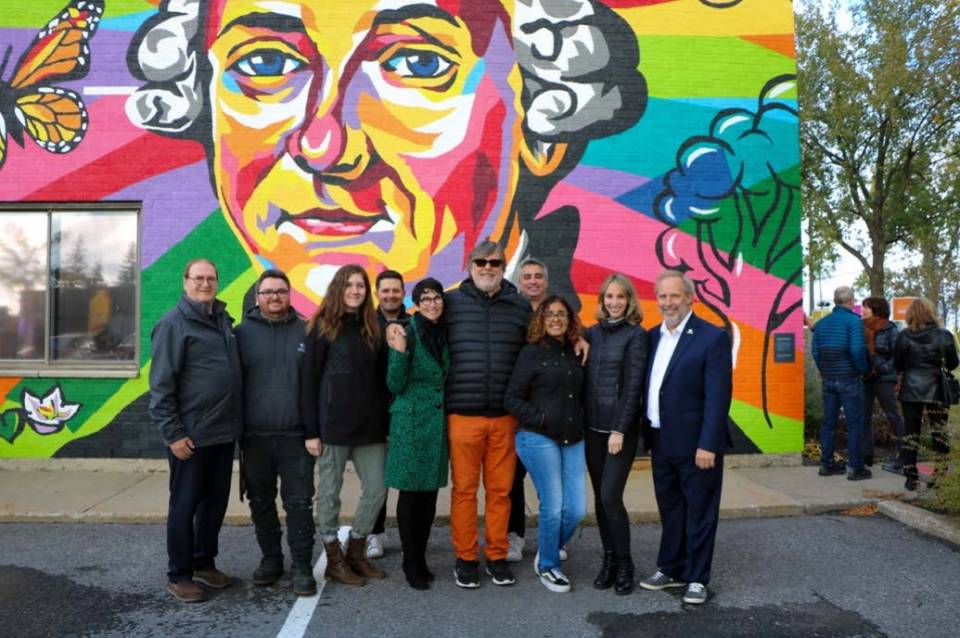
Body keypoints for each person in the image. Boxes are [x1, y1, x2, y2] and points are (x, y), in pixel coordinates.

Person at [126, 0, 645, 302]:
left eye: (418, 64)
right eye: (264, 61)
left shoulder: (552, 326)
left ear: (542, 128)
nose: (322, 146)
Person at [149, 258, 242, 603]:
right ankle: (179, 573)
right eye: (198, 278)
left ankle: (204, 562)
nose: (205, 283)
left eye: (211, 278)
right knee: (184, 506)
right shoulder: (174, 325)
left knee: (213, 504)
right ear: (185, 282)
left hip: (221, 434)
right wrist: (173, 434)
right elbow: (161, 387)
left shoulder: (221, 320)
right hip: (190, 437)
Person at [639, 270, 732, 605]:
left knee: (700, 511)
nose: (668, 303)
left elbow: (718, 396)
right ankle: (671, 568)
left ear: (690, 298)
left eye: (674, 296)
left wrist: (709, 443)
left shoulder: (712, 337)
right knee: (671, 509)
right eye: (662, 296)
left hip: (698, 445)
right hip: (661, 440)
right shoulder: (651, 337)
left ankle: (696, 578)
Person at [444, 239, 530, 588]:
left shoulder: (520, 307)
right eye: (481, 262)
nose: (487, 268)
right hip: (462, 416)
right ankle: (465, 558)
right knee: (464, 491)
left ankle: (496, 555)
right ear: (470, 264)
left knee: (500, 491)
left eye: (495, 263)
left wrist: (579, 338)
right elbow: (419, 328)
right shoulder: (450, 303)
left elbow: (543, 343)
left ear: (503, 266)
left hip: (505, 417)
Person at [301, 265, 388, 586]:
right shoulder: (322, 327)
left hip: (370, 428)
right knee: (329, 495)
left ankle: (355, 551)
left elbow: (382, 381)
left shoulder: (373, 327)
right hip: (331, 428)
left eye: (361, 286)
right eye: (349, 285)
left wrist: (386, 423)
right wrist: (311, 431)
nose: (355, 290)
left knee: (377, 488)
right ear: (338, 288)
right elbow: (307, 382)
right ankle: (334, 561)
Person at [235, 269, 316, 596]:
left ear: (289, 294)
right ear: (258, 297)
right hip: (255, 438)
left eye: (280, 291)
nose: (274, 297)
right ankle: (271, 560)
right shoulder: (240, 334)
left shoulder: (307, 331)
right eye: (268, 292)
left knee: (298, 504)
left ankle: (302, 567)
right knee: (261, 502)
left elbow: (317, 384)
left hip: (296, 438)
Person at [504, 295, 587, 593]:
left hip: (573, 438)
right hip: (537, 437)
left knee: (576, 510)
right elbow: (511, 398)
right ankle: (548, 565)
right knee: (553, 506)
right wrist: (540, 418)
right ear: (540, 319)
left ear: (570, 319)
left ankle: (548, 546)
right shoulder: (531, 353)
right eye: (549, 314)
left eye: (561, 314)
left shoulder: (577, 350)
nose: (555, 318)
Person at [383, 278, 449, 590]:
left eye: (437, 297)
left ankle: (420, 556)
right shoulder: (406, 332)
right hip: (410, 423)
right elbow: (395, 385)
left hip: (436, 424)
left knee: (429, 495)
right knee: (410, 494)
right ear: (417, 303)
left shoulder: (447, 332)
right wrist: (400, 352)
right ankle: (411, 561)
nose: (432, 303)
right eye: (426, 299)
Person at [583, 273, 647, 595]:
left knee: (610, 496)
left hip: (618, 432)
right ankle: (608, 559)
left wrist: (620, 428)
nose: (614, 302)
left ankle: (625, 562)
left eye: (621, 297)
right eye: (609, 297)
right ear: (601, 300)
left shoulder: (636, 336)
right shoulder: (591, 333)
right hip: (592, 430)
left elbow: (634, 386)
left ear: (629, 300)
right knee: (600, 498)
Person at [507, 258, 549, 562]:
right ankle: (515, 536)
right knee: (512, 478)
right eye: (527, 277)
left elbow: (578, 340)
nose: (532, 281)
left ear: (545, 281)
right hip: (517, 409)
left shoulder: (558, 312)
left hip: (550, 409)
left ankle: (553, 538)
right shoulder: (513, 314)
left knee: (549, 480)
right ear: (520, 283)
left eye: (537, 277)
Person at [893, 298, 959, 491]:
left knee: (911, 433)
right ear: (931, 313)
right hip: (937, 388)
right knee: (939, 432)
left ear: (910, 314)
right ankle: (939, 474)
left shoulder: (904, 336)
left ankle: (910, 477)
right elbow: (954, 363)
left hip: (911, 389)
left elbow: (898, 365)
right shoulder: (944, 335)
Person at [368, 269, 411, 560]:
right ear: (377, 292)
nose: (391, 295)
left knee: (407, 477)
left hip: (406, 412)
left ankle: (409, 533)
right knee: (376, 479)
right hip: (373, 412)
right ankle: (376, 534)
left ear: (403, 292)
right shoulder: (366, 324)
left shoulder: (414, 324)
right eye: (386, 290)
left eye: (396, 290)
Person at [811, 286, 871, 480]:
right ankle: (856, 467)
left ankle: (827, 464)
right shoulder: (853, 322)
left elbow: (816, 352)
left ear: (835, 300)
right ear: (851, 301)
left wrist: (825, 370)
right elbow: (857, 350)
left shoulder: (821, 324)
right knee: (854, 422)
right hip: (849, 379)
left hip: (828, 380)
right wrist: (863, 370)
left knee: (828, 422)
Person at [860, 297, 905, 473]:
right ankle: (866, 456)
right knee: (864, 417)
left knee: (893, 415)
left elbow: (897, 356)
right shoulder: (860, 327)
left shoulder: (890, 329)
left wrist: (881, 369)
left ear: (877, 310)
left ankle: (904, 454)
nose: (863, 310)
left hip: (884, 378)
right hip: (865, 378)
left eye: (866, 307)